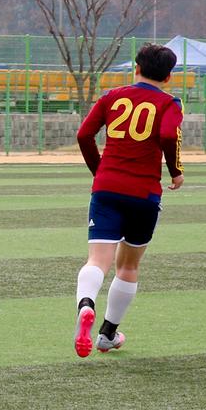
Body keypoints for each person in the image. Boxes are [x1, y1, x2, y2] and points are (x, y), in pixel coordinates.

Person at [72, 43, 184, 358]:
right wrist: (176, 172)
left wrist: (100, 171)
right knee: (129, 266)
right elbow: (167, 135)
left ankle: (85, 305)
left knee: (97, 260)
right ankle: (107, 334)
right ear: (169, 76)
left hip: (107, 188)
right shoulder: (169, 103)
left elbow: (84, 135)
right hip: (145, 193)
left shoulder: (112, 96)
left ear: (136, 68)